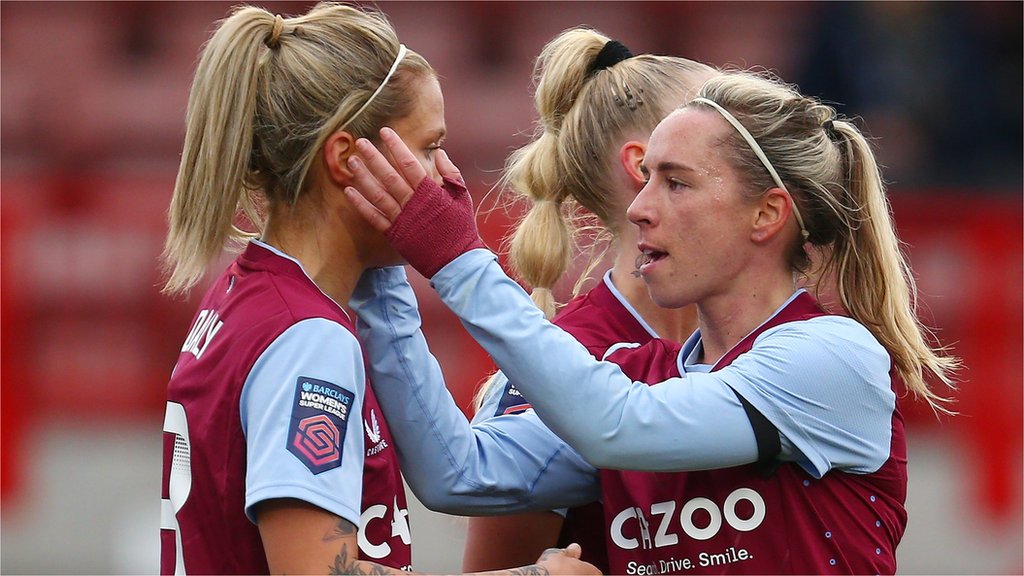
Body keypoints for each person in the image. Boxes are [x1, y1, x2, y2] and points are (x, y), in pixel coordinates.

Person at [343, 68, 959, 574]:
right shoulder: (627, 370)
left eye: (676, 183)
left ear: (767, 214)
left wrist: (459, 261)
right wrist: (383, 268)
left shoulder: (830, 358)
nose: (638, 209)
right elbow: (459, 475)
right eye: (645, 180)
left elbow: (616, 425)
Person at [158, 3, 599, 575]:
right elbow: (314, 572)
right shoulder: (309, 338)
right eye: (428, 147)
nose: (445, 175)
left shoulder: (247, 295)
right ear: (345, 158)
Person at [462, 29, 713, 572]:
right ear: (646, 165)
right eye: (723, 128)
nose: (752, 150)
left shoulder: (777, 336)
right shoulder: (558, 362)